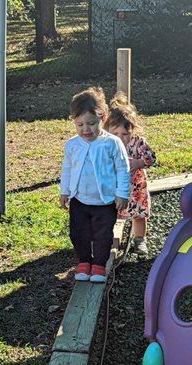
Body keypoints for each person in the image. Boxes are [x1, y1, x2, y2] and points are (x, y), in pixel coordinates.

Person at [60, 87, 130, 283]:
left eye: (91, 123)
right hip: (79, 199)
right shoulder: (72, 145)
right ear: (73, 121)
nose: (86, 129)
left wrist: (122, 194)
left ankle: (99, 264)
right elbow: (67, 169)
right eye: (80, 124)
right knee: (78, 233)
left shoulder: (112, 143)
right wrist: (64, 191)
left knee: (102, 234)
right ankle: (84, 261)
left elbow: (122, 170)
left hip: (105, 201)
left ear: (103, 118)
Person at [104, 91, 156, 255]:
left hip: (136, 188)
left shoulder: (138, 142)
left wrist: (139, 162)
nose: (120, 138)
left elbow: (151, 157)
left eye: (125, 134)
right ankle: (108, 239)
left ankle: (140, 240)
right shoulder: (107, 143)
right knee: (110, 214)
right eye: (116, 134)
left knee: (138, 215)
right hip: (115, 188)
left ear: (132, 130)